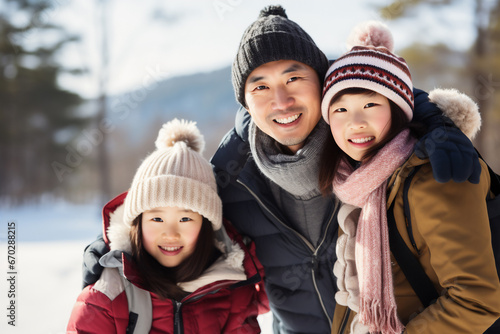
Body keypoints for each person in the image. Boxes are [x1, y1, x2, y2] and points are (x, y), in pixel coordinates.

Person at [81, 6, 483, 334]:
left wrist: (435, 120)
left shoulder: (366, 144)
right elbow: (177, 218)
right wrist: (123, 245)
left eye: (294, 78)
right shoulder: (230, 176)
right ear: (246, 102)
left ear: (322, 82)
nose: (282, 100)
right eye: (260, 87)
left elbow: (387, 93)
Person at [319, 22, 500, 334]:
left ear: (398, 110)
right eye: (340, 110)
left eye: (370, 104)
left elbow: (477, 299)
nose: (355, 122)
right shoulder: (355, 184)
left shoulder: (435, 175)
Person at [68, 119, 268, 333]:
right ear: (138, 223)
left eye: (185, 219)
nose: (170, 234)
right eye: (157, 219)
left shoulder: (233, 289)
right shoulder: (109, 296)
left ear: (206, 226)